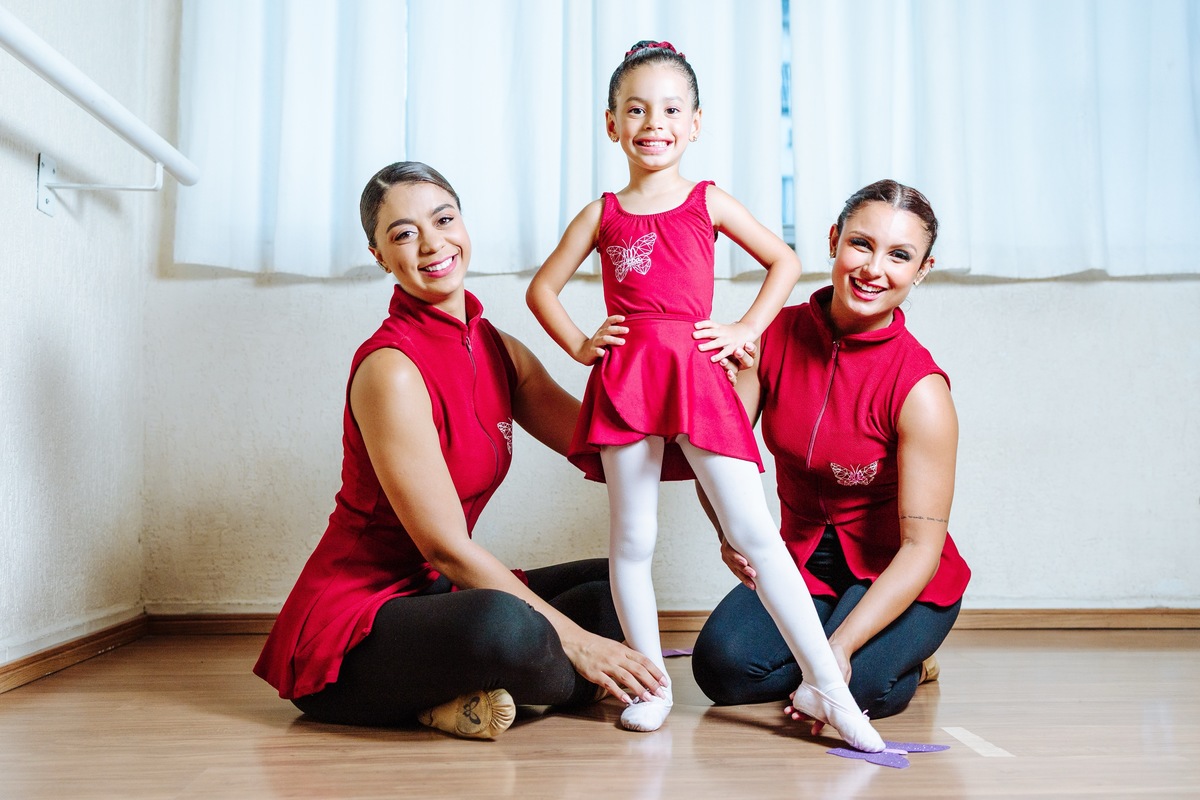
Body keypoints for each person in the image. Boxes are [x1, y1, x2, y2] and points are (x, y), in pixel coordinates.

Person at [526, 40, 885, 752]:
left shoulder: (707, 199)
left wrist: (746, 326)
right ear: (611, 125)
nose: (652, 122)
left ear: (694, 123)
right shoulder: (603, 213)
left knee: (756, 533)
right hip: (628, 381)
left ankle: (829, 687)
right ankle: (652, 687)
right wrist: (579, 345)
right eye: (636, 109)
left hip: (695, 376)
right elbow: (542, 288)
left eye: (669, 109)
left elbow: (784, 260)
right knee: (632, 539)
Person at [253, 161, 667, 740]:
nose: (431, 242)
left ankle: (462, 694)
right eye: (402, 233)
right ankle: (511, 678)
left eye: (443, 219)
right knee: (506, 626)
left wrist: (717, 402)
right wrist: (577, 642)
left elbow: (607, 453)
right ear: (379, 255)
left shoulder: (497, 347)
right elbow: (446, 548)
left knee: (613, 586)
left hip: (437, 598)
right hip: (355, 631)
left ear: (464, 225)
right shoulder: (390, 369)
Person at [690, 179, 971, 727]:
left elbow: (920, 548)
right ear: (833, 240)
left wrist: (836, 652)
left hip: (896, 570)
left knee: (861, 687)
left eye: (899, 256)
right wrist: (729, 533)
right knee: (722, 671)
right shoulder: (772, 335)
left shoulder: (922, 391)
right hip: (800, 559)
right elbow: (720, 453)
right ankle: (840, 644)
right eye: (861, 244)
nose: (873, 269)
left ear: (922, 270)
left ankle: (906, 649)